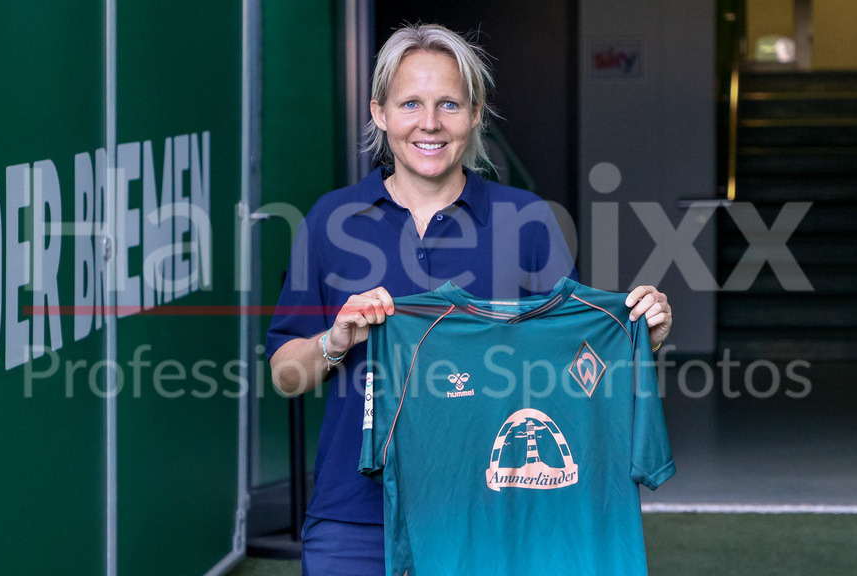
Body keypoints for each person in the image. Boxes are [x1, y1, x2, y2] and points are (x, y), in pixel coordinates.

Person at [266, 23, 672, 576]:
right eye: (410, 103)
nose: (429, 123)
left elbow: (573, 368)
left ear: (476, 114)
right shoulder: (329, 221)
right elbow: (286, 375)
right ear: (379, 112)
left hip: (490, 512)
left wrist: (636, 340)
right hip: (355, 517)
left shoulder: (525, 220)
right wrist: (334, 342)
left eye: (449, 104)